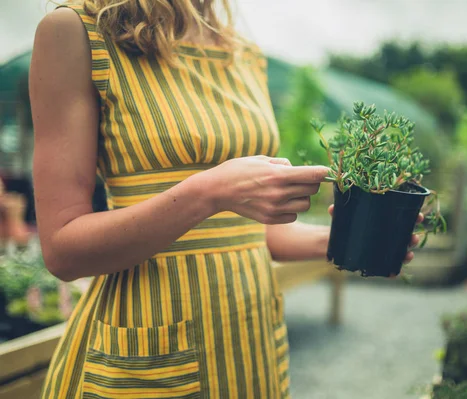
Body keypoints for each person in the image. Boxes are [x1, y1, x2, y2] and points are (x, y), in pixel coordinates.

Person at [29, 1, 423, 397]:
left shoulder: (243, 52)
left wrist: (351, 241)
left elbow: (243, 231)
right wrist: (211, 190)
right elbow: (63, 251)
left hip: (250, 343)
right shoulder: (76, 32)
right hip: (149, 344)